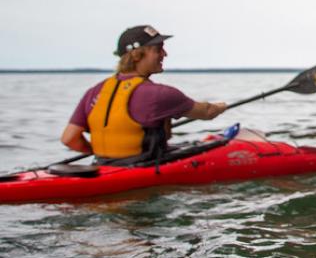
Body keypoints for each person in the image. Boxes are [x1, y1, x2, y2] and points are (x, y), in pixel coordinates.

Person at [60, 25, 228, 163]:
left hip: (102, 165)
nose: (164, 54)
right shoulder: (159, 94)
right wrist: (222, 106)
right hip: (143, 168)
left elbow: (69, 138)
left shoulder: (94, 91)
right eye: (158, 49)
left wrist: (104, 154)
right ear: (137, 54)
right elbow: (207, 112)